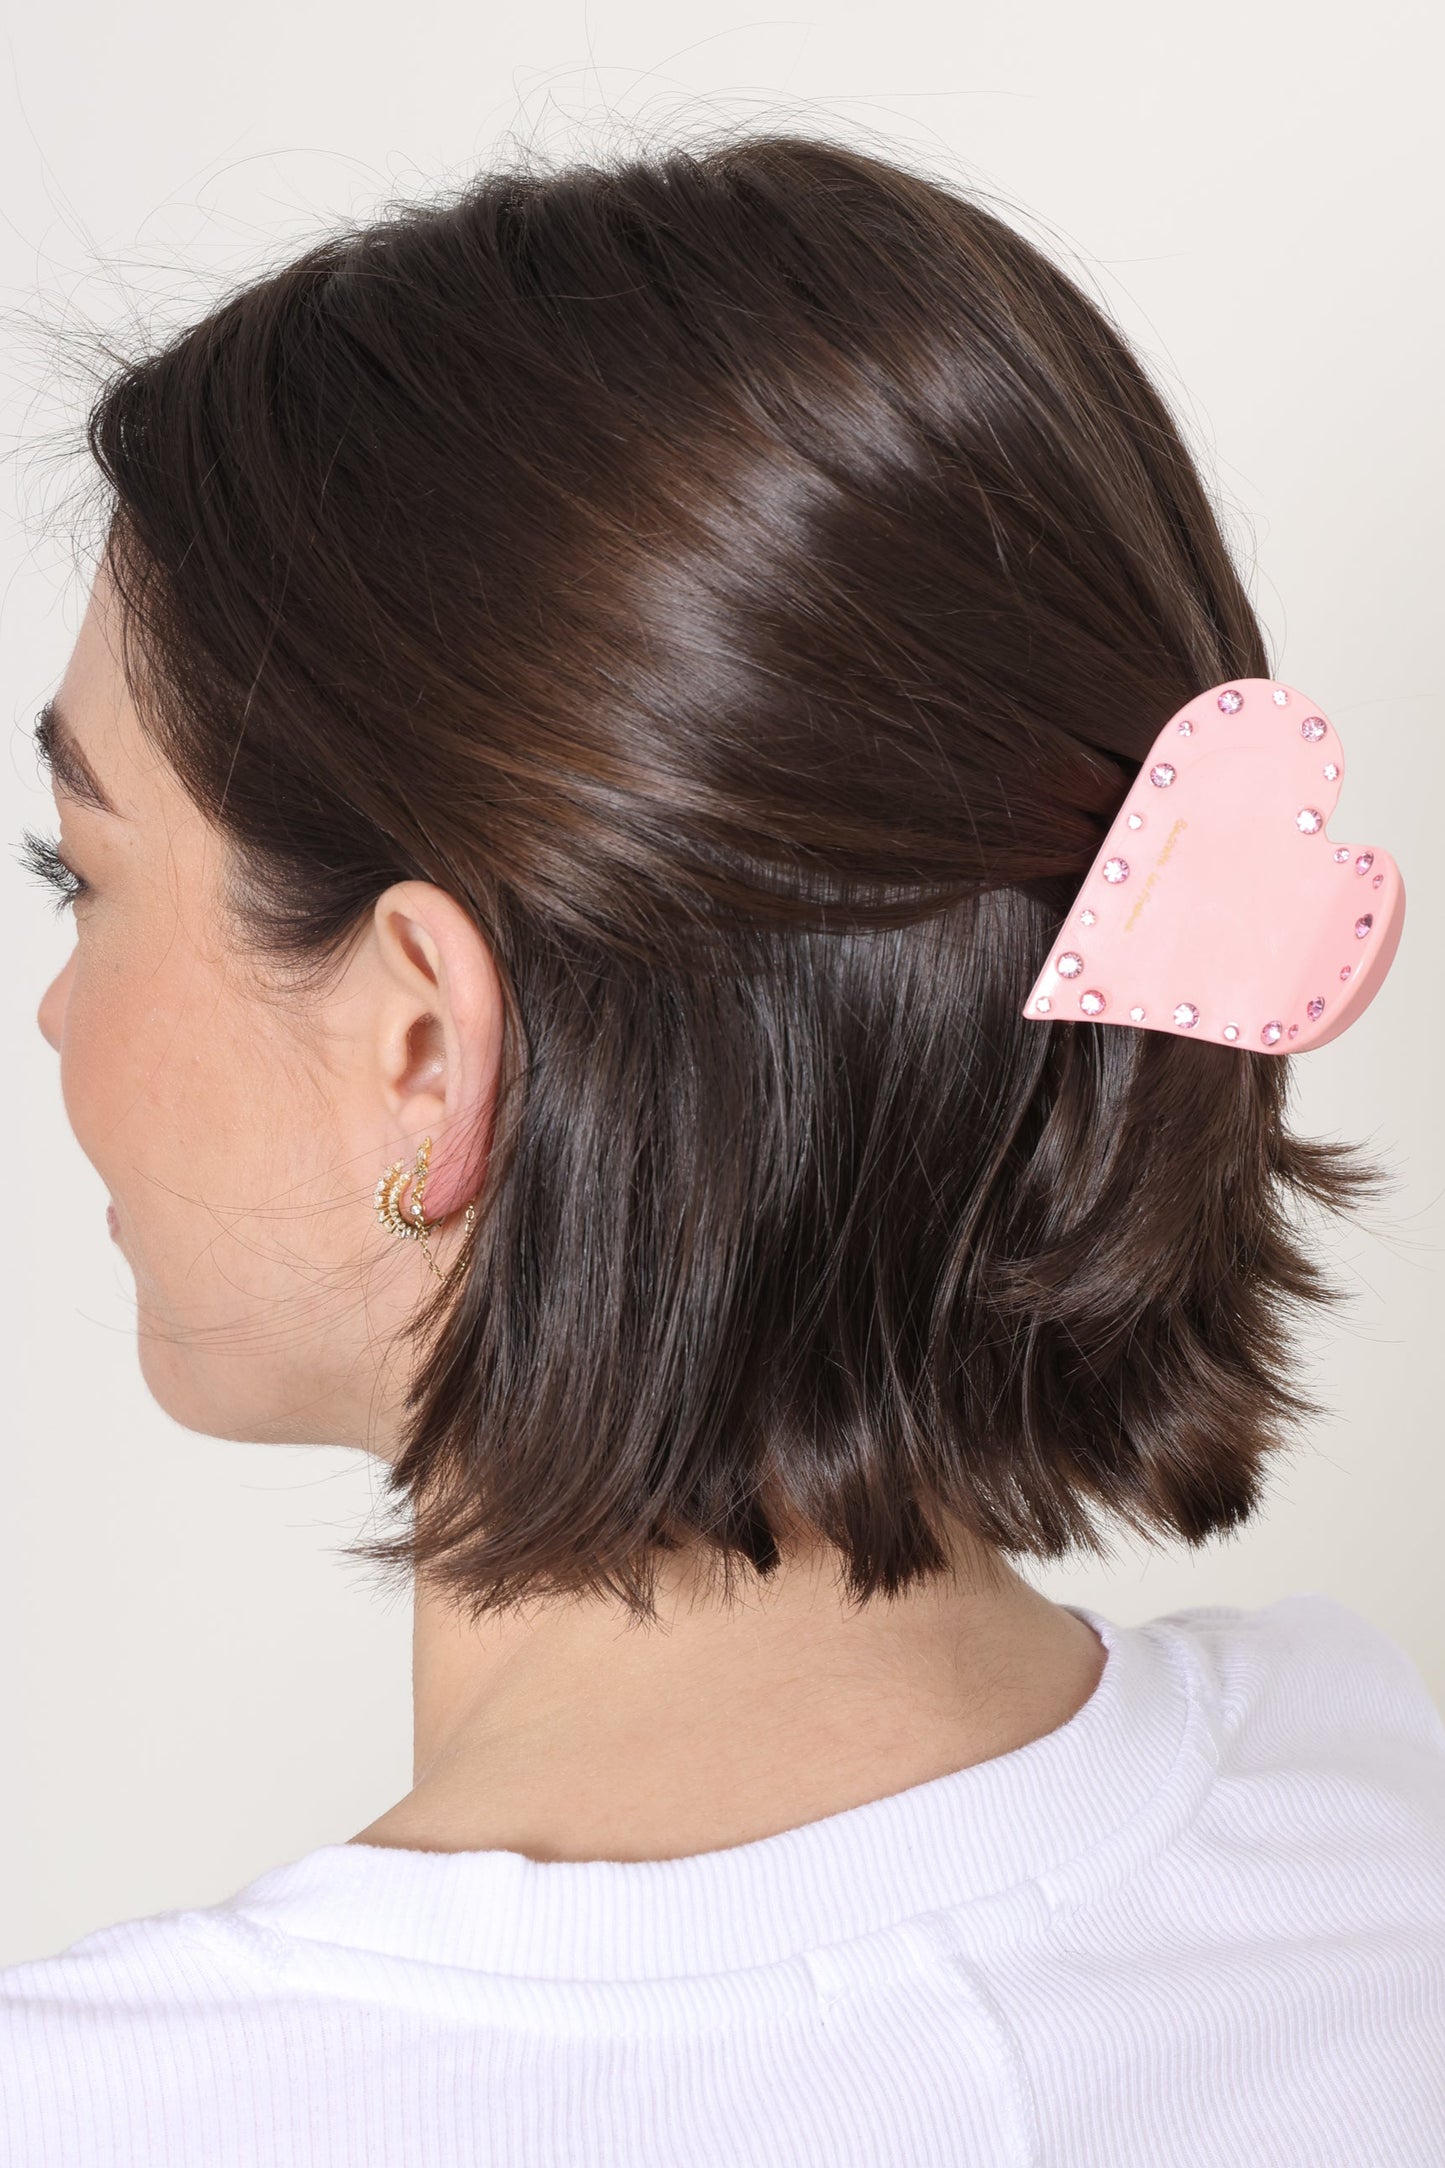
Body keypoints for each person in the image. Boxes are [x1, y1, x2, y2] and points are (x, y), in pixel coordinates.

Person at [3, 128, 1442, 2166]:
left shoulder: (115, 2111)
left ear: (426, 1047)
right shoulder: (1369, 1805)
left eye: (82, 873)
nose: (56, 1010)